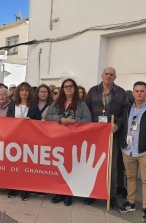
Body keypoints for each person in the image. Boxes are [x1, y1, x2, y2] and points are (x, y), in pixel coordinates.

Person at [118, 81, 146, 223]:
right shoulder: (127, 109)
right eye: (136, 91)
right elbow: (123, 126)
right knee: (130, 178)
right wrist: (122, 144)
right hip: (128, 149)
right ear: (133, 93)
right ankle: (131, 202)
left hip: (145, 151)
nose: (139, 93)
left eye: (142, 91)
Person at [84, 67, 129, 209]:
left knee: (112, 166)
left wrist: (118, 124)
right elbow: (87, 111)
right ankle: (92, 193)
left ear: (115, 77)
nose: (108, 77)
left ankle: (112, 195)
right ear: (102, 75)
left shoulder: (120, 92)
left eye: (111, 75)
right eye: (106, 74)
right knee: (93, 162)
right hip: (95, 135)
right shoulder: (92, 91)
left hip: (112, 135)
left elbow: (125, 113)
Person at [46, 78, 92, 206]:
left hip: (73, 141)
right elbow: (48, 116)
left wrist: (75, 120)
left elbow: (88, 119)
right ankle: (59, 192)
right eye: (65, 86)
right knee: (59, 166)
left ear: (75, 88)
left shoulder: (81, 104)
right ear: (62, 89)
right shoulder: (56, 103)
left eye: (70, 86)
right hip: (58, 139)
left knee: (71, 167)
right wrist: (59, 118)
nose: (68, 88)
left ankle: (69, 194)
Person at [6, 82, 41, 201]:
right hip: (14, 139)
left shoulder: (34, 106)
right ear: (18, 92)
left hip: (28, 139)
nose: (24, 92)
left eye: (26, 90)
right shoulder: (12, 105)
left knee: (26, 165)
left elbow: (38, 121)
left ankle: (25, 189)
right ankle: (13, 187)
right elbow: (7, 120)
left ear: (29, 92)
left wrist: (31, 121)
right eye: (22, 90)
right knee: (14, 164)